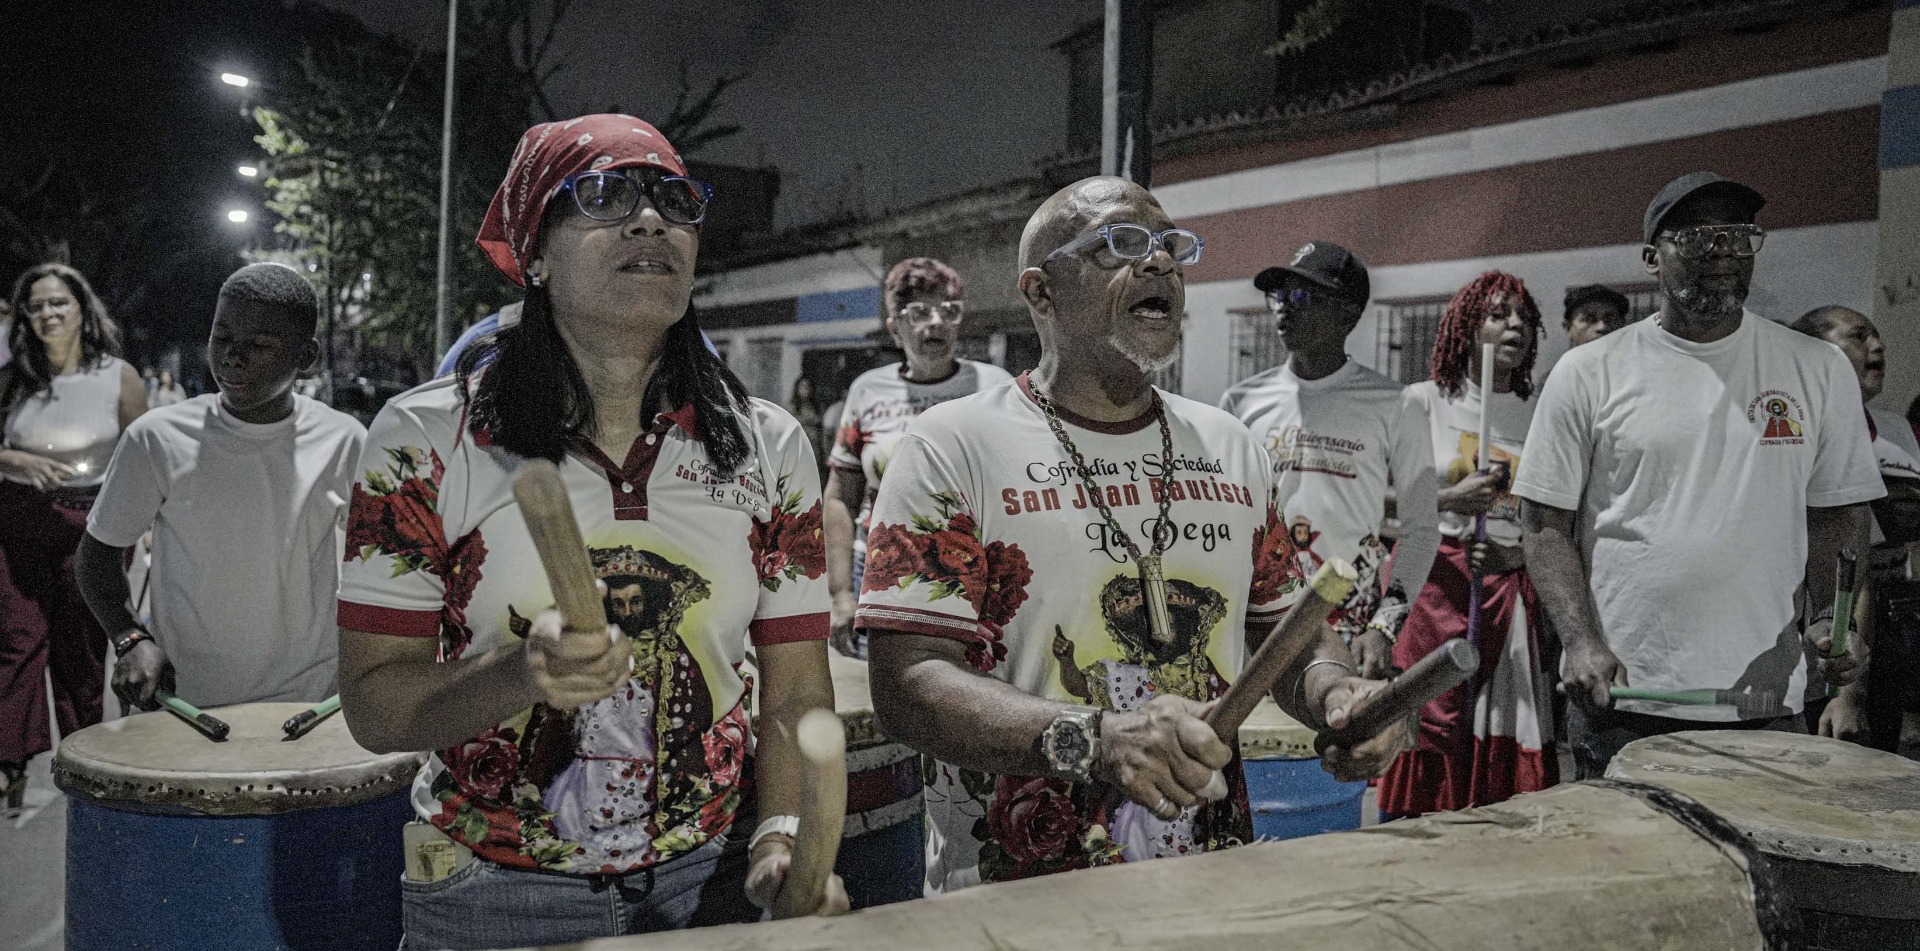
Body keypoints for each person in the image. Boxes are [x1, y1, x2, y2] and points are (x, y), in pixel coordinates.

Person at [335, 115, 845, 948]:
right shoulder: (424, 439)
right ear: (534, 252)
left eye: (674, 201)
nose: (652, 221)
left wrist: (780, 836)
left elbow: (792, 690)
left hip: (706, 881)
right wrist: (520, 673)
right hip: (486, 894)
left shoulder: (770, 443)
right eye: (605, 195)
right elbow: (373, 704)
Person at [858, 176, 1408, 893]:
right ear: (1040, 291)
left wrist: (1337, 693)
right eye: (1121, 243)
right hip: (1016, 896)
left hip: (1203, 881)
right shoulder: (952, 446)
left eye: (1170, 247)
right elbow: (907, 683)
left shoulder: (1229, 445)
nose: (1159, 264)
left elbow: (1288, 635)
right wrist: (1096, 738)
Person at [1514, 171, 1880, 779]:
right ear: (1653, 258)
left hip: (1763, 698)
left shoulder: (1816, 369)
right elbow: (1543, 520)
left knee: (1756, 873)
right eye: (1700, 237)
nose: (1724, 253)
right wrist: (1579, 641)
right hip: (1624, 696)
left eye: (1739, 238)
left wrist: (1830, 619)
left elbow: (1838, 513)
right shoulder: (1587, 372)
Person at [75, 263, 365, 714]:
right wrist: (131, 638)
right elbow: (96, 554)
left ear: (306, 357)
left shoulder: (345, 440)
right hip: (187, 702)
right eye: (222, 337)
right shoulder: (156, 438)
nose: (232, 357)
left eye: (259, 345)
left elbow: (382, 564)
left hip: (308, 704)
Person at [1378, 271, 1557, 815]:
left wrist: (1516, 555)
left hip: (1507, 587)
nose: (1515, 326)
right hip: (1435, 585)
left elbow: (1559, 518)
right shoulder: (1424, 402)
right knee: (1429, 719)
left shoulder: (1541, 411)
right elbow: (1376, 499)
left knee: (1498, 723)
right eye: (1498, 314)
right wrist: (1447, 502)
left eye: (1523, 317)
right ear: (1466, 326)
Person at [1218, 240, 1440, 678]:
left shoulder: (1395, 404)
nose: (1285, 308)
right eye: (1280, 296)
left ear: (1348, 314)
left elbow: (1421, 529)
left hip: (1349, 624)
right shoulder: (1241, 402)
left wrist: (1384, 626)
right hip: (1257, 619)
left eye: (1303, 296)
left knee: (1337, 739)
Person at [0, 263, 145, 809]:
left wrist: (149, 526)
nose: (47, 314)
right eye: (36, 306)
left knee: (80, 649)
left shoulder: (117, 376)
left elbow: (143, 453)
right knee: (16, 638)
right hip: (17, 518)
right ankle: (10, 759)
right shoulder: (13, 378)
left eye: (58, 302)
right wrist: (11, 455)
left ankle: (84, 756)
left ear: (82, 308)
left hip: (94, 521)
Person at [824, 258, 1012, 657]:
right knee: (886, 694)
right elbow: (841, 497)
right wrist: (840, 593)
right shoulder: (868, 391)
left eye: (949, 311)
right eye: (919, 313)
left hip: (972, 572)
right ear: (895, 327)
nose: (937, 322)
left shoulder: (993, 388)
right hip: (880, 571)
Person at [1789, 305, 1919, 748]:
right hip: (1829, 658)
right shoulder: (1790, 431)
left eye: (1878, 337)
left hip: (1896, 640)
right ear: (1815, 351)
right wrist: (1848, 693)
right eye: (1859, 336)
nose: (1877, 346)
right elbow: (1849, 569)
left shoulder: (1896, 429)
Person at [1561, 284, 1629, 348]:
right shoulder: (1566, 360)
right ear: (1568, 328)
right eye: (1588, 319)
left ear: (1622, 324)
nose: (1602, 327)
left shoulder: (1636, 359)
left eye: (1610, 319)